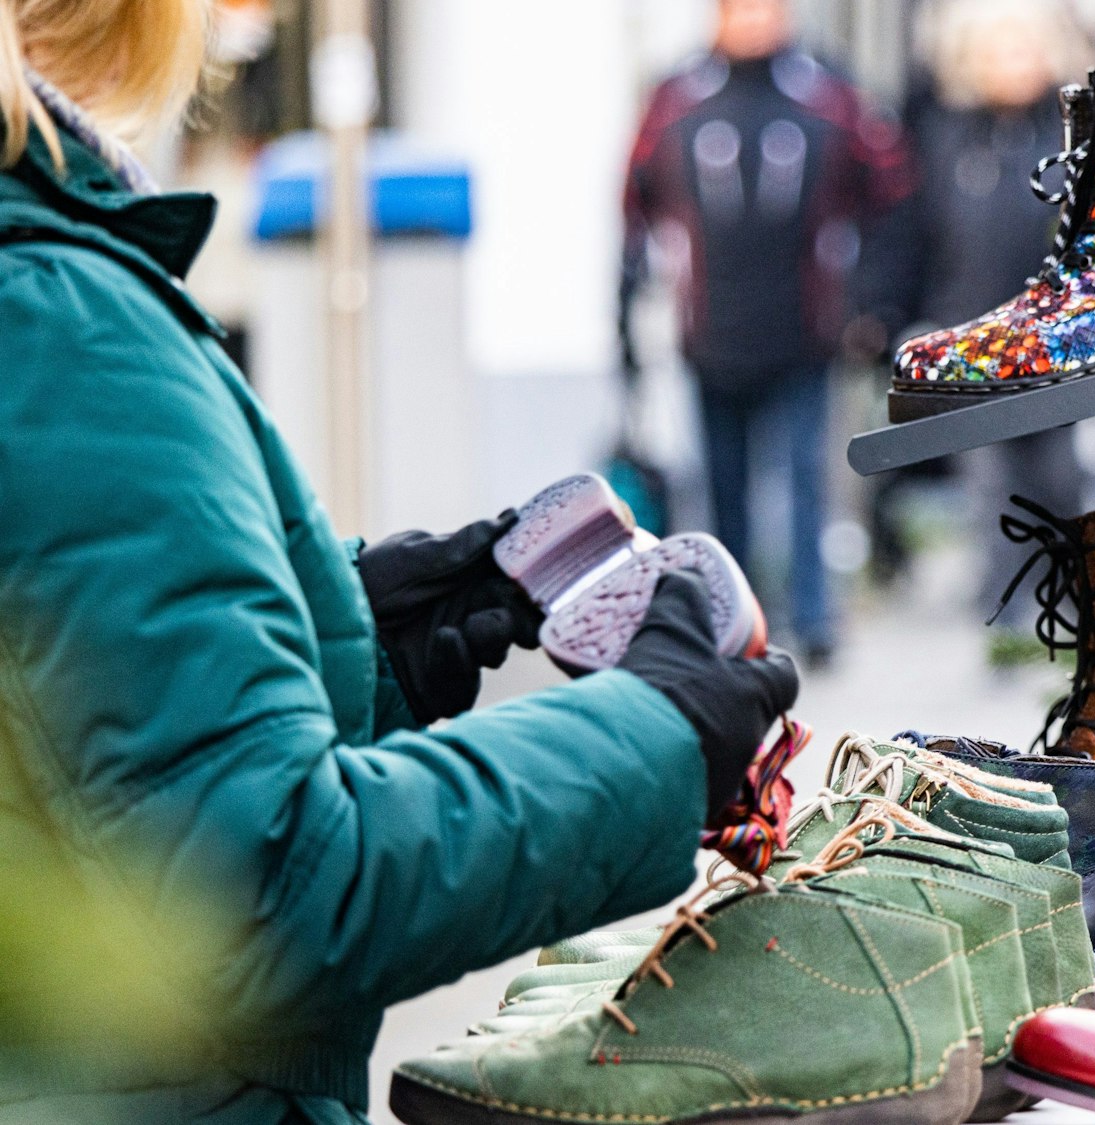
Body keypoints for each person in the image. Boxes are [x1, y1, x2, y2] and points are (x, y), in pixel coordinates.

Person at [0, 2, 797, 1122]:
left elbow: (63, 750)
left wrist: (352, 649)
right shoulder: (53, 311)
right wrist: (655, 732)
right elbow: (264, 893)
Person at [620, 0, 915, 667]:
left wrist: (871, 303)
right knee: (723, 486)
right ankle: (740, 617)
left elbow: (890, 194)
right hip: (709, 333)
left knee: (808, 477)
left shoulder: (829, 93)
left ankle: (815, 617)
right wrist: (628, 309)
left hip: (805, 332)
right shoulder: (675, 99)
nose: (755, 20)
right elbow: (633, 202)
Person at [900, 0, 1091, 638]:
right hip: (970, 337)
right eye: (996, 51)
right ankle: (1004, 618)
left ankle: (1068, 603)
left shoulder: (1071, 134)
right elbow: (914, 234)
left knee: (1061, 479)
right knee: (991, 486)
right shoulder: (946, 137)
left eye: (1022, 48)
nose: (1011, 64)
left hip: (1058, 339)